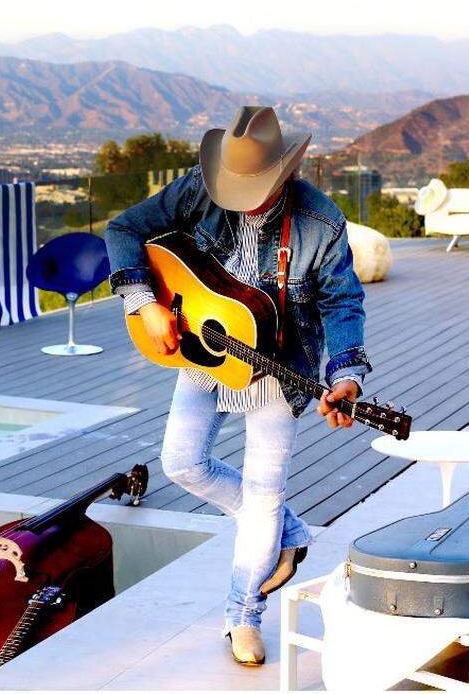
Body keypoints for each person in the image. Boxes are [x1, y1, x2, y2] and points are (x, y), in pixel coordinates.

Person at [103, 106, 371, 665]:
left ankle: (243, 614)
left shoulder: (320, 223)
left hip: (279, 366)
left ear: (282, 174)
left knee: (264, 491)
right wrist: (144, 302)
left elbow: (342, 302)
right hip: (204, 353)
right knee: (182, 463)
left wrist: (345, 375)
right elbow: (124, 229)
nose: (239, 198)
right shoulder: (198, 189)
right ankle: (288, 533)